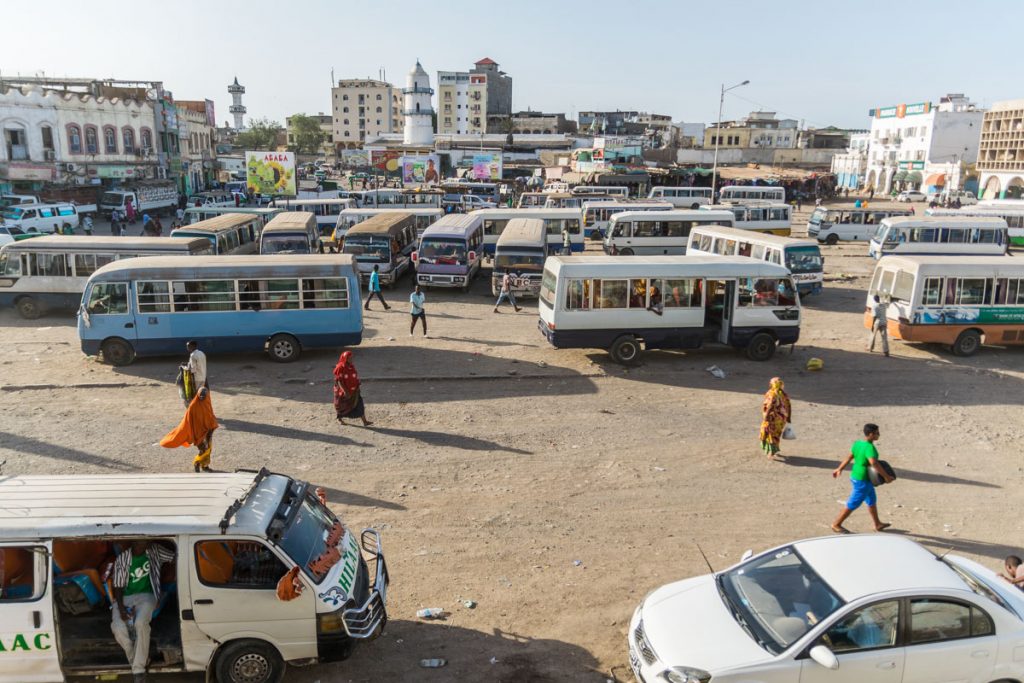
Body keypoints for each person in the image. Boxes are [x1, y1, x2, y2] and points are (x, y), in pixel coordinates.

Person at [110, 540, 175, 683]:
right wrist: (121, 609)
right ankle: (138, 658)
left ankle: (138, 670)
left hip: (148, 595)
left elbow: (175, 557)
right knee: (117, 627)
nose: (145, 543)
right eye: (141, 541)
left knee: (140, 623)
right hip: (125, 598)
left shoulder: (155, 550)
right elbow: (118, 587)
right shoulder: (123, 558)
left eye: (146, 541)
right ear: (134, 542)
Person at [831, 423, 894, 533]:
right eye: (877, 433)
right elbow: (874, 463)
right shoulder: (870, 448)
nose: (879, 435)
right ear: (870, 434)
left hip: (857, 476)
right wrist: (886, 477)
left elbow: (849, 457)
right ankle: (836, 524)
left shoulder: (857, 444)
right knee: (853, 503)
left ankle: (877, 524)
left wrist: (839, 468)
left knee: (871, 500)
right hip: (862, 479)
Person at [160, 386, 218, 471]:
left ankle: (204, 466)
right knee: (204, 449)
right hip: (198, 433)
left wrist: (211, 427)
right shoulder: (193, 406)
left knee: (208, 449)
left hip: (208, 431)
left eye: (204, 396)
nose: (202, 398)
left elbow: (210, 416)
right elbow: (188, 421)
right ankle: (197, 462)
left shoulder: (207, 403)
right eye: (200, 396)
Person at [333, 351, 372, 427]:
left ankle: (365, 421)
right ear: (345, 358)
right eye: (349, 358)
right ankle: (340, 419)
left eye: (351, 358)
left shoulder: (351, 366)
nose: (351, 359)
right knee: (342, 407)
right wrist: (345, 391)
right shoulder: (340, 367)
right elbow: (339, 381)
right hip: (344, 392)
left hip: (354, 390)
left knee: (359, 404)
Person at [758, 377, 792, 459]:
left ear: (772, 384)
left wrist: (766, 417)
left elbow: (770, 406)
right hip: (782, 419)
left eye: (770, 382)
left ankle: (771, 452)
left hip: (772, 418)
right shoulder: (783, 394)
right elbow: (789, 406)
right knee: (776, 434)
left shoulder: (772, 394)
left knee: (770, 434)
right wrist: (788, 417)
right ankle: (775, 450)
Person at [181, 340, 207, 407]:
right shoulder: (201, 353)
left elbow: (193, 370)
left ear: (193, 346)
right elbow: (199, 364)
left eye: (188, 346)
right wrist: (188, 364)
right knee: (201, 395)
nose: (187, 348)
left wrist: (184, 367)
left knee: (195, 395)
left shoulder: (193, 355)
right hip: (203, 376)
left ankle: (195, 410)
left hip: (196, 378)